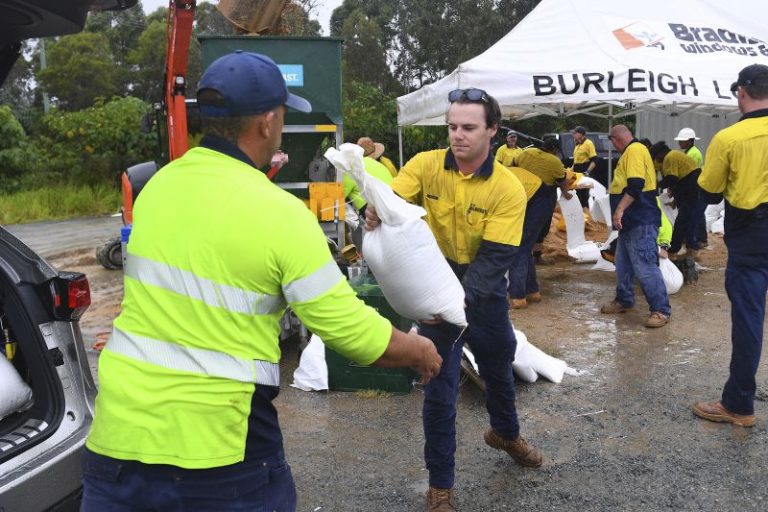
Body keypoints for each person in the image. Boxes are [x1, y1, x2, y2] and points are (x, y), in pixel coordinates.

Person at [80, 51, 443, 512]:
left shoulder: (159, 188)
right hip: (220, 449)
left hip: (117, 441)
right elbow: (347, 329)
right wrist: (420, 351)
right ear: (269, 121)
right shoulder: (281, 215)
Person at [366, 88, 542, 512]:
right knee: (439, 385)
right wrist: (374, 209)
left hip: (481, 286)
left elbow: (495, 259)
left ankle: (505, 432)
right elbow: (390, 200)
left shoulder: (507, 188)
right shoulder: (425, 166)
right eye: (452, 127)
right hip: (434, 280)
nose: (457, 136)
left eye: (468, 127)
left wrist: (459, 306)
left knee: (499, 360)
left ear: (493, 131)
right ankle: (440, 485)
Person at [692, 63, 768, 428]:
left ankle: (739, 404)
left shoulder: (729, 138)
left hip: (752, 236)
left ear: (741, 92)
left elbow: (709, 190)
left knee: (749, 320)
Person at [600, 124, 671, 328]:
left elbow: (636, 184)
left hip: (640, 218)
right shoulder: (634, 151)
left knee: (645, 266)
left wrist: (620, 208)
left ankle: (661, 310)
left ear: (615, 140)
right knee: (623, 264)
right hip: (631, 222)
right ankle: (624, 299)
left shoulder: (634, 151)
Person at [513, 137, 572, 266]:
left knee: (520, 224)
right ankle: (535, 257)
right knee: (541, 228)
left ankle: (519, 253)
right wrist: (566, 193)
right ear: (555, 150)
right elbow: (562, 180)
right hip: (543, 196)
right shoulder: (554, 161)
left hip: (522, 193)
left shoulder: (525, 153)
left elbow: (513, 166)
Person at [649, 141, 705, 261]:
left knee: (683, 221)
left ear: (660, 154)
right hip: (691, 188)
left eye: (656, 157)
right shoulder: (673, 156)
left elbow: (672, 179)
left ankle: (679, 250)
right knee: (687, 220)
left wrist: (657, 185)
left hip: (692, 187)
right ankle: (691, 250)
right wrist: (675, 199)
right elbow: (677, 180)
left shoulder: (670, 157)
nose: (656, 161)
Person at [505, 165, 550, 309]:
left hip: (538, 199)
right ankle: (532, 291)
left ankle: (518, 297)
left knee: (519, 248)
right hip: (533, 197)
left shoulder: (493, 182)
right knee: (525, 249)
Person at [343, 136, 394, 218]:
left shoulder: (352, 166)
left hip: (375, 209)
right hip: (393, 202)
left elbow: (340, 195)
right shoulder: (383, 163)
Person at [571, 126, 598, 209]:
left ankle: (587, 214)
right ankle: (580, 212)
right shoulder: (577, 144)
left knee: (585, 195)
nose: (573, 135)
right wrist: (571, 169)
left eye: (575, 133)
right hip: (577, 170)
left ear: (581, 134)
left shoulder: (588, 143)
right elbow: (575, 160)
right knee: (577, 193)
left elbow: (594, 160)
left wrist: (587, 172)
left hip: (584, 170)